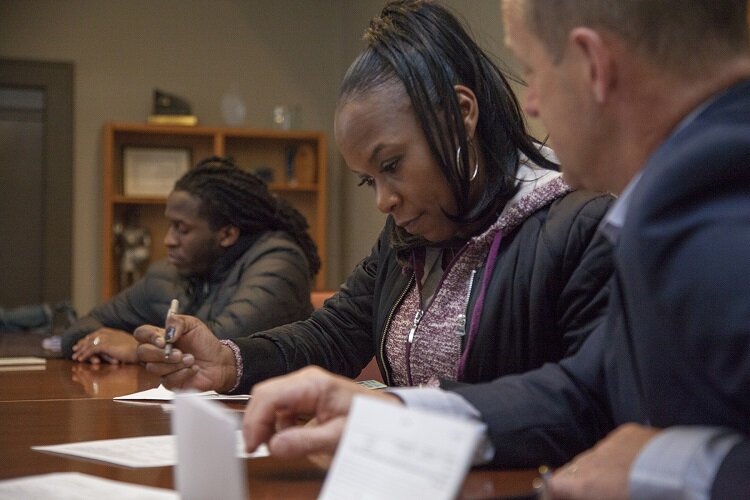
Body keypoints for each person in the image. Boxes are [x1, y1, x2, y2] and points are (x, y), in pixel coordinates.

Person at [220, 0, 750, 498]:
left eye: (535, 70)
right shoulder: (678, 193)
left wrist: (677, 466)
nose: (532, 102)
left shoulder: (713, 205)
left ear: (593, 65)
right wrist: (395, 415)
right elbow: (583, 391)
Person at [134, 0, 613, 395]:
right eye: (369, 180)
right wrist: (229, 360)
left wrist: (405, 413)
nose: (384, 201)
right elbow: (335, 333)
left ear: (460, 115)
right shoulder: (409, 230)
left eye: (391, 165)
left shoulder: (577, 227)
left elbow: (578, 402)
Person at [62, 156, 321, 364]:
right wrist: (97, 345)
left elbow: (222, 348)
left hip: (276, 412)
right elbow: (82, 327)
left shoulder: (279, 262)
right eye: (170, 226)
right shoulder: (169, 273)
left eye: (182, 229)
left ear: (227, 234)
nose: (168, 240)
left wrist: (137, 347)